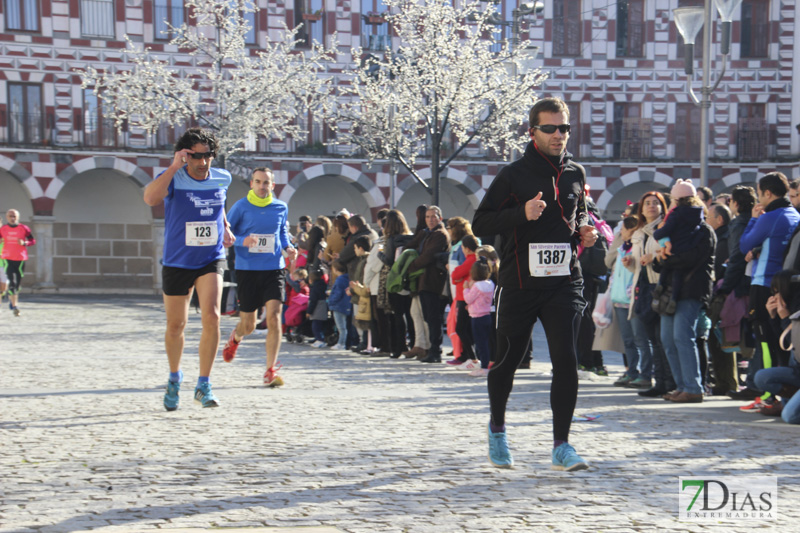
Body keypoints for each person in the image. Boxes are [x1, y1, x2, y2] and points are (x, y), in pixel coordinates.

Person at [473, 97, 597, 471]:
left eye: (565, 128)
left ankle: (562, 445)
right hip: (520, 282)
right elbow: (480, 223)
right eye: (551, 129)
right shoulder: (513, 175)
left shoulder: (576, 172)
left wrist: (587, 234)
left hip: (564, 281)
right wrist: (521, 214)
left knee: (566, 361)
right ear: (533, 132)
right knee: (508, 360)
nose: (559, 135)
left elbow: (581, 215)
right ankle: (497, 429)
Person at [143, 127, 235, 411]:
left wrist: (226, 226)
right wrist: (173, 167)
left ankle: (204, 383)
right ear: (186, 156)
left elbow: (217, 205)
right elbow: (150, 198)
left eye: (207, 155)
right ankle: (174, 378)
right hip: (177, 260)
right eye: (196, 156)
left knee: (213, 316)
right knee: (176, 325)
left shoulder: (223, 178)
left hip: (211, 257)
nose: (202, 161)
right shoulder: (175, 178)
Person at [221, 167, 297, 387]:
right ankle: (236, 337)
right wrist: (241, 240)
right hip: (248, 270)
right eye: (258, 182)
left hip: (274, 268)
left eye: (266, 183)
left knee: (274, 316)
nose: (262, 186)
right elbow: (225, 233)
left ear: (272, 185)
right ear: (252, 184)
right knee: (249, 325)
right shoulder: (241, 207)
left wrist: (289, 247)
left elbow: (282, 232)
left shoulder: (280, 207)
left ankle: (269, 370)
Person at [738, 172, 800, 400]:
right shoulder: (794, 214)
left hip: (763, 284)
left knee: (765, 342)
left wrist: (753, 219)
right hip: (785, 285)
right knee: (782, 341)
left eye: (759, 193)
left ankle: (766, 396)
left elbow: (744, 243)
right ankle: (781, 394)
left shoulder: (769, 216)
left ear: (767, 193)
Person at [623, 191, 672, 397]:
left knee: (662, 339)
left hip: (659, 287)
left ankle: (667, 381)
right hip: (642, 288)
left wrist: (655, 256)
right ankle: (659, 381)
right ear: (641, 209)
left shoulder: (665, 229)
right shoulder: (638, 233)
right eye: (647, 204)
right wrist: (630, 263)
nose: (651, 207)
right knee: (652, 338)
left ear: (662, 207)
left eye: (655, 203)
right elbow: (637, 265)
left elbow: (669, 254)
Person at [652, 179, 705, 315]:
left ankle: (660, 286)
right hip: (687, 248)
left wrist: (657, 233)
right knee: (678, 274)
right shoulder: (698, 213)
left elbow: (665, 230)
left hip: (674, 249)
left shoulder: (676, 214)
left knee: (668, 266)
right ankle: (674, 298)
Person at [405, 206, 450, 363]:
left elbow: (427, 256)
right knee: (429, 318)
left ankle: (435, 351)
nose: (430, 219)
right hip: (424, 281)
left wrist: (410, 266)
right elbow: (410, 246)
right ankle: (431, 349)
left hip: (433, 281)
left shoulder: (440, 235)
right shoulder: (426, 233)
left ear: (440, 218)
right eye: (428, 216)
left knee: (433, 317)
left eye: (433, 216)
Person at [463, 257, 495, 377]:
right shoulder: (490, 284)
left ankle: (484, 367)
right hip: (487, 315)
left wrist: (466, 288)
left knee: (480, 343)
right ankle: (485, 365)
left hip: (477, 317)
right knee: (485, 342)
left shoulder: (477, 286)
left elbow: (468, 298)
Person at [0, 209, 35, 317]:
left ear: (18, 217)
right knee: (11, 282)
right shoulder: (3, 229)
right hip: (6, 258)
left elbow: (32, 241)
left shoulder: (24, 228)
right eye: (10, 216)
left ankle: (11, 299)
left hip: (20, 258)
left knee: (17, 285)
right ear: (7, 217)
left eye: (14, 216)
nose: (12, 218)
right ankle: (15, 306)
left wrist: (24, 242)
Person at [327, 260, 352, 351]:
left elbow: (338, 294)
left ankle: (341, 343)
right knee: (344, 326)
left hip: (338, 306)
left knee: (341, 327)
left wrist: (331, 301)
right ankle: (343, 343)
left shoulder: (339, 279)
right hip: (346, 305)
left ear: (336, 269)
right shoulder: (347, 278)